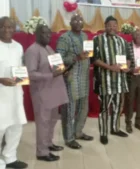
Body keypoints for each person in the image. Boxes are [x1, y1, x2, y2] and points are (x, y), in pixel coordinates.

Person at [24, 24, 69, 162]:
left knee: (52, 120)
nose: (47, 36)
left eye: (49, 34)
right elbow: (30, 74)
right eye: (44, 33)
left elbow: (54, 67)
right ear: (37, 34)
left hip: (53, 91)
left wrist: (62, 70)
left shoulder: (49, 48)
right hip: (41, 92)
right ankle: (42, 152)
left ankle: (48, 143)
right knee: (43, 122)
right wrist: (51, 75)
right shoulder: (32, 50)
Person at [56, 14, 93, 149]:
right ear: (70, 23)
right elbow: (58, 58)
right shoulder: (64, 38)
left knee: (84, 108)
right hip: (71, 78)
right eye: (75, 20)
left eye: (80, 20)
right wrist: (76, 57)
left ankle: (78, 132)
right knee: (69, 110)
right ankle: (69, 138)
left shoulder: (85, 36)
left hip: (84, 77)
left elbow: (88, 55)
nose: (78, 22)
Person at [93, 16, 130, 145]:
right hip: (105, 82)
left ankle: (115, 128)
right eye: (110, 25)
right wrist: (110, 67)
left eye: (115, 25)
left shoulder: (122, 41)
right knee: (104, 108)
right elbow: (94, 59)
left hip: (120, 82)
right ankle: (103, 133)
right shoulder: (97, 40)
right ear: (105, 26)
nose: (112, 27)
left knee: (118, 107)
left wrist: (127, 67)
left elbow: (129, 57)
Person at [0, 17, 27, 169]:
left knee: (16, 125)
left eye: (10, 27)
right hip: (1, 94)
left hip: (16, 93)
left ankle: (10, 157)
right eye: (3, 27)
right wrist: (0, 80)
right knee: (0, 127)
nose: (7, 30)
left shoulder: (18, 47)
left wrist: (22, 75)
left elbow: (20, 67)